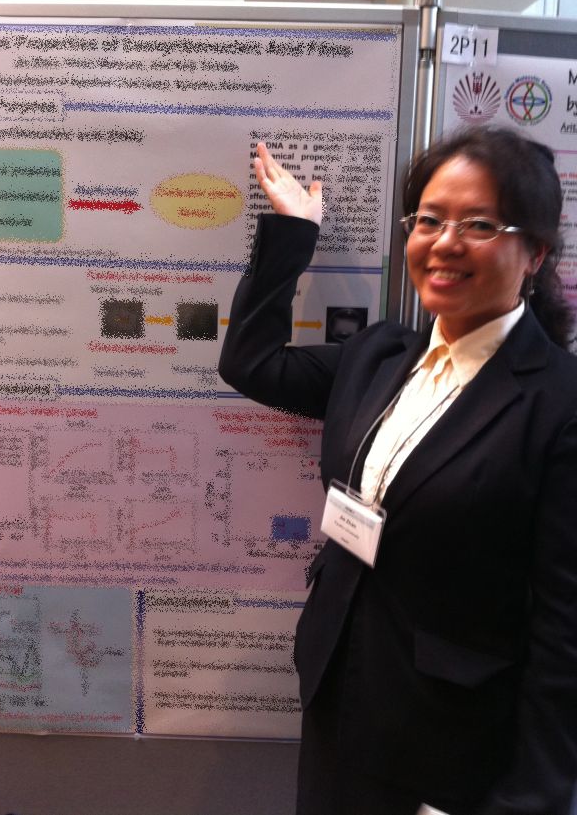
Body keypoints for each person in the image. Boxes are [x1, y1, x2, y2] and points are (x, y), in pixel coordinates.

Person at [218, 126, 577, 815]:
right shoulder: (380, 356)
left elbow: (566, 633)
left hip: (449, 745)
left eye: (479, 225)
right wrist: (295, 231)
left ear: (534, 252)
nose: (445, 242)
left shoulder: (558, 403)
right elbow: (250, 362)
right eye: (430, 220)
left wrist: (530, 798)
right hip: (338, 696)